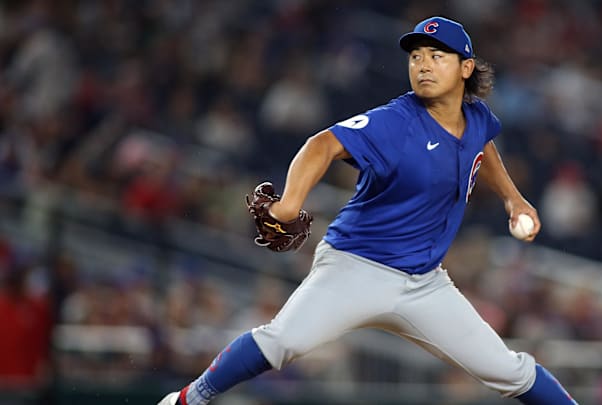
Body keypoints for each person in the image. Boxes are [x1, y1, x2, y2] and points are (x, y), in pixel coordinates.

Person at [159, 16, 577, 405]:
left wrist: (512, 198)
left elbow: (482, 148)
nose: (423, 65)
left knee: (509, 370)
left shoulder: (478, 117)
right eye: (416, 56)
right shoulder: (395, 121)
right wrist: (289, 203)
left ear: (466, 68)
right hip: (355, 268)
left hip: (425, 285)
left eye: (437, 55)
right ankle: (186, 399)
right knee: (281, 342)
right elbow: (321, 145)